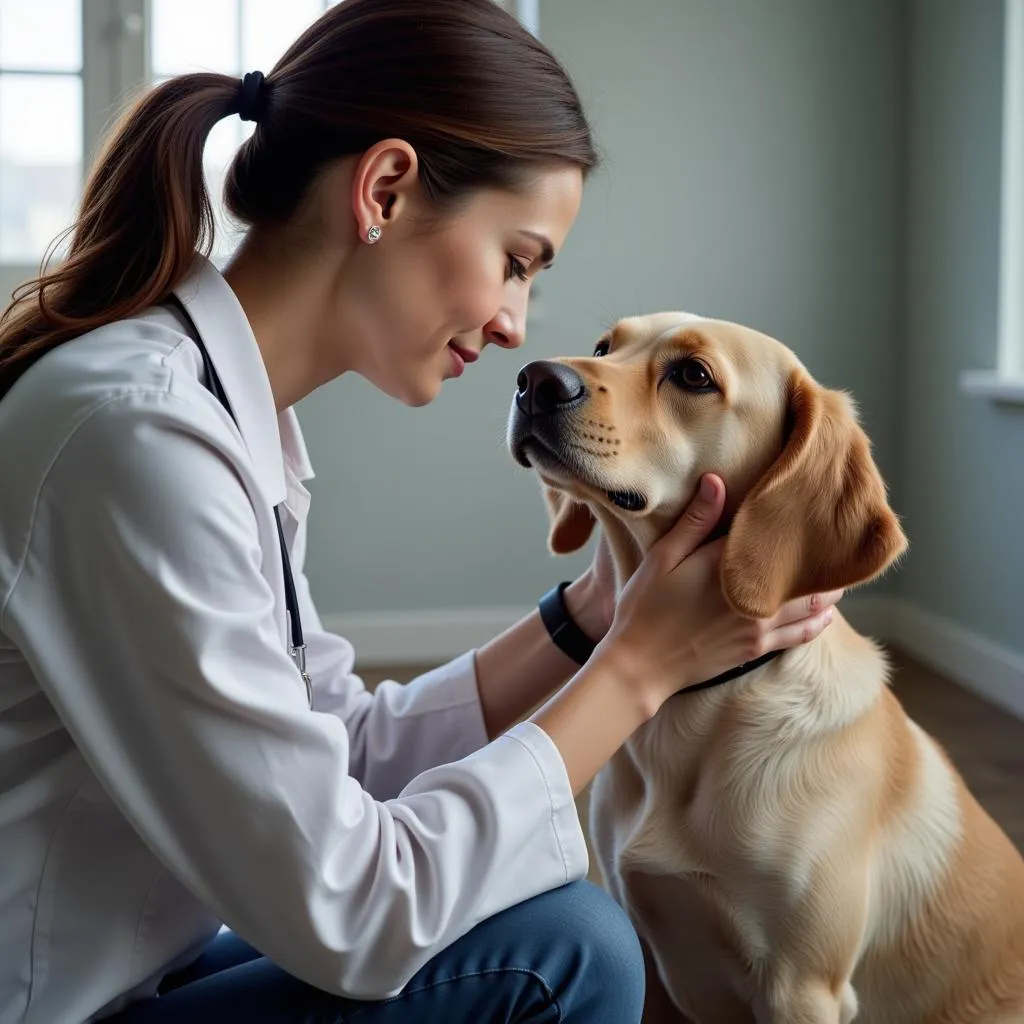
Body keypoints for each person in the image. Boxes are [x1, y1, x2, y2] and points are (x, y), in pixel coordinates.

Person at [0, 1, 841, 1022]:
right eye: (516, 260)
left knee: (559, 926)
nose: (512, 324)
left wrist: (587, 621)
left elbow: (338, 748)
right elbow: (352, 907)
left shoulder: (207, 410)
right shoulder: (142, 440)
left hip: (132, 958)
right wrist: (638, 668)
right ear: (386, 188)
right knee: (569, 951)